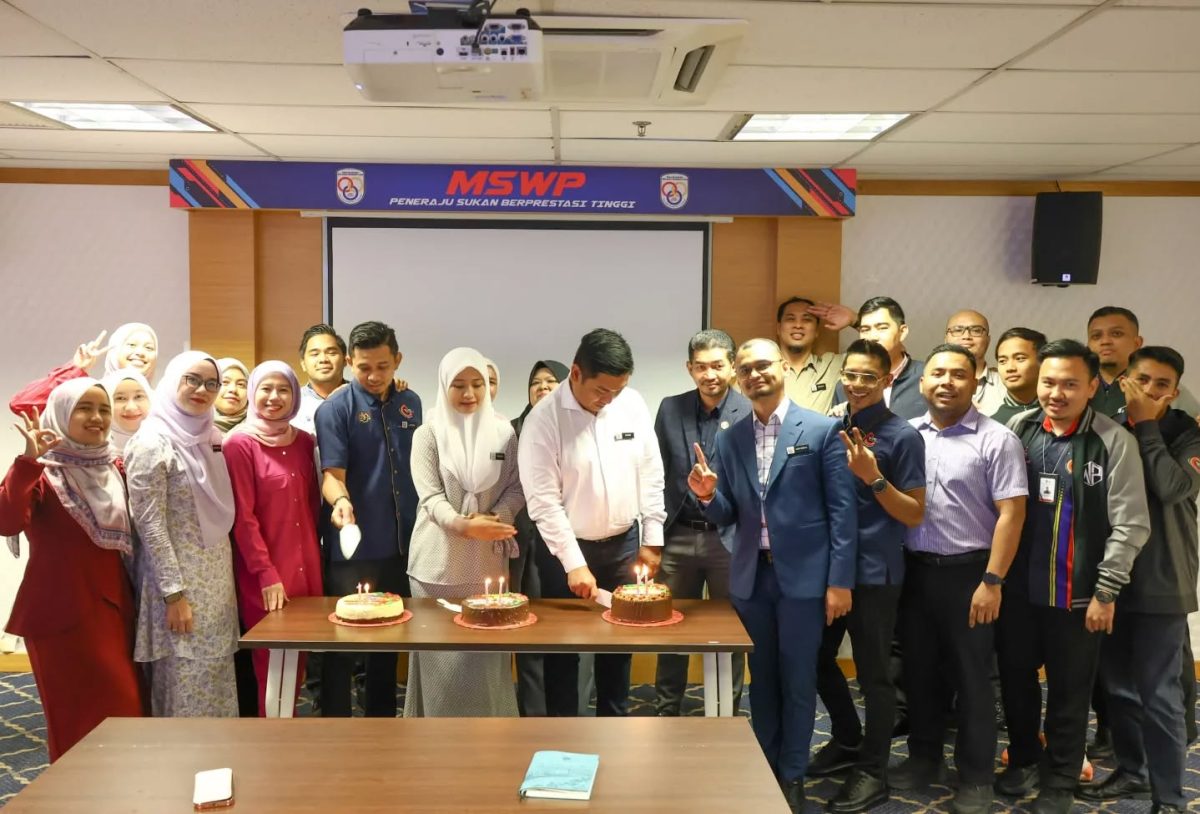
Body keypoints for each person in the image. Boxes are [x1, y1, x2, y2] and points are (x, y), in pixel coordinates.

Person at [685, 337, 856, 813]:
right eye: (745, 370)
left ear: (782, 366)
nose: (754, 375)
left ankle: (793, 774)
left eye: (763, 365)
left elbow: (842, 513)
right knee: (761, 678)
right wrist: (707, 495)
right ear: (737, 378)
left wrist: (839, 581)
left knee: (799, 678)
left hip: (805, 580)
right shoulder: (730, 437)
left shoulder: (822, 430)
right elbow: (728, 514)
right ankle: (766, 767)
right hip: (751, 579)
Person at [998, 339, 1150, 814]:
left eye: (1069, 384)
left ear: (1090, 388)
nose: (1056, 393)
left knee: (1070, 690)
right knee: (1015, 680)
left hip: (1079, 593)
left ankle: (1061, 780)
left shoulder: (1113, 441)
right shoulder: (1019, 428)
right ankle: (1024, 758)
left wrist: (1107, 591)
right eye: (1048, 382)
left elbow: (1131, 524)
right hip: (1019, 590)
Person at [891, 344, 1027, 814]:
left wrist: (992, 580)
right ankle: (923, 758)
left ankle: (975, 777)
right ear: (922, 382)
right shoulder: (908, 434)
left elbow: (1012, 514)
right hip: (915, 572)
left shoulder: (997, 440)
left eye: (957, 374)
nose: (946, 382)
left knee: (973, 680)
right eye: (937, 373)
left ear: (975, 382)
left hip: (971, 574)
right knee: (919, 673)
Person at [518, 328, 666, 718]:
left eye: (618, 389)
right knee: (563, 650)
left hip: (623, 545)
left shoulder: (631, 403)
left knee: (618, 648)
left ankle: (614, 728)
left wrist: (652, 539)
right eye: (602, 390)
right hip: (564, 552)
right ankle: (563, 734)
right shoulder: (544, 419)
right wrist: (573, 563)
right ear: (576, 373)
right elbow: (543, 502)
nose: (610, 399)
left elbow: (651, 474)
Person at [1077, 347, 1197, 814]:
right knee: (1118, 689)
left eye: (1162, 385)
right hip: (1109, 579)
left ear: (1174, 391)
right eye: (1142, 380)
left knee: (1161, 694)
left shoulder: (1187, 433)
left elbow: (1173, 487)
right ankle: (1132, 772)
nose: (1149, 390)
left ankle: (1170, 797)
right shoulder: (1102, 427)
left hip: (1163, 579)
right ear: (1124, 379)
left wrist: (1146, 426)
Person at [0, 379, 144, 761]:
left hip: (114, 610)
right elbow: (6, 520)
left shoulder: (115, 467)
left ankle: (122, 789)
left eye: (103, 409)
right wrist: (28, 461)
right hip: (60, 617)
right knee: (74, 719)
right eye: (84, 408)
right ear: (62, 415)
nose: (97, 417)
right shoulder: (43, 472)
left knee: (126, 711)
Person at [812, 339, 927, 813]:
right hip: (829, 569)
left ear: (886, 380)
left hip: (875, 572)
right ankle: (846, 738)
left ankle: (872, 771)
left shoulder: (903, 436)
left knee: (875, 675)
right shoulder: (831, 427)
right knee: (816, 659)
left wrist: (873, 477)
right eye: (851, 375)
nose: (857, 384)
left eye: (868, 377)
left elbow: (915, 513)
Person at [405, 348, 525, 717]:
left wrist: (495, 518)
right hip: (436, 565)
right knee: (439, 661)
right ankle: (436, 742)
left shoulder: (504, 434)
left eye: (477, 384)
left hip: (486, 564)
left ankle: (492, 739)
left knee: (486, 659)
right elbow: (430, 496)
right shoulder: (428, 434)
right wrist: (465, 526)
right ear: (444, 387)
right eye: (458, 385)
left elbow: (517, 486)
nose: (469, 393)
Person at [125, 351, 239, 717]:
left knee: (216, 682)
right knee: (184, 688)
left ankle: (220, 753)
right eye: (192, 379)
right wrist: (174, 595)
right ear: (173, 380)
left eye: (211, 383)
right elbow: (151, 526)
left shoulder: (211, 437)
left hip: (216, 585)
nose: (202, 390)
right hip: (178, 589)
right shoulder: (151, 443)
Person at [316, 320, 421, 718]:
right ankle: (334, 724)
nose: (374, 376)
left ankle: (381, 721)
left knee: (389, 641)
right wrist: (341, 502)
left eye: (383, 366)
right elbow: (331, 474)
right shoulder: (334, 409)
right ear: (349, 362)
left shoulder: (410, 402)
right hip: (355, 547)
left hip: (401, 545)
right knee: (342, 644)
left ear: (398, 360)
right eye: (364, 368)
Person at [653, 329, 750, 717]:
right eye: (700, 366)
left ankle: (726, 711)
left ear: (732, 367)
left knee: (730, 629)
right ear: (689, 368)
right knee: (669, 625)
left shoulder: (749, 410)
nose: (709, 374)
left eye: (717, 365)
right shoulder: (670, 408)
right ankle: (666, 709)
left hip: (729, 537)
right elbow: (656, 473)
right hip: (679, 534)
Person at [224, 361, 322, 716]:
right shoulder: (239, 443)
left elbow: (311, 508)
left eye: (283, 389)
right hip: (266, 574)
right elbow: (243, 518)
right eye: (265, 388)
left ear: (295, 395)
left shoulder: (305, 442)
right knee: (271, 667)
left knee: (297, 664)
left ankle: (288, 731)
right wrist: (265, 573)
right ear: (253, 393)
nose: (274, 397)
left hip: (306, 569)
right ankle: (272, 738)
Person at [511, 358, 569, 717]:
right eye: (536, 382)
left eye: (551, 381)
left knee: (569, 630)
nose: (542, 387)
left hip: (569, 545)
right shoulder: (512, 430)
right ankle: (532, 714)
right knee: (529, 630)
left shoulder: (580, 425)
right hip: (525, 545)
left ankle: (571, 712)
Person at [9, 325, 156, 418]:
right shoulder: (90, 394)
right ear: (113, 351)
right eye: (131, 345)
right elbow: (22, 405)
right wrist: (75, 370)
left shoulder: (160, 404)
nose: (140, 352)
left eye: (149, 348)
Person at [1087, 307, 1200, 419]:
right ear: (1088, 346)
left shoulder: (1164, 389)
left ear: (1137, 343)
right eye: (1096, 336)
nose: (1105, 341)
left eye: (1116, 334)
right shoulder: (1081, 385)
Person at [831, 298, 926, 420]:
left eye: (882, 328)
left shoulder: (927, 377)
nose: (873, 337)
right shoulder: (846, 385)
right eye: (865, 330)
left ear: (902, 332)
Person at [777, 297, 842, 414]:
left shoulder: (831, 366)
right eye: (790, 319)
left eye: (806, 319)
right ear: (778, 328)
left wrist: (854, 320)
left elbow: (875, 356)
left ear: (817, 331)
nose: (798, 325)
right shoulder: (761, 370)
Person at [944, 310, 1005, 416]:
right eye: (958, 330)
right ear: (946, 339)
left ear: (988, 340)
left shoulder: (1006, 384)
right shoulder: (928, 383)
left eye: (976, 331)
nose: (966, 336)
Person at [292, 324, 348, 437]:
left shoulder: (362, 397)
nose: (323, 359)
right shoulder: (291, 402)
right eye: (315, 354)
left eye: (331, 353)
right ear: (303, 364)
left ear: (345, 360)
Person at [990, 328, 1047, 426]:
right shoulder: (990, 425)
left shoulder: (1064, 413)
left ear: (1043, 362)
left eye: (1019, 358)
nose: (1010, 368)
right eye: (1002, 361)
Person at [101, 369, 153, 453]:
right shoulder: (91, 452)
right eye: (120, 398)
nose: (131, 407)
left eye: (138, 396)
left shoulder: (169, 447)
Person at [213, 358, 249, 436]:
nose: (233, 389)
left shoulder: (260, 431)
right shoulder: (194, 425)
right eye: (225, 382)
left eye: (241, 384)